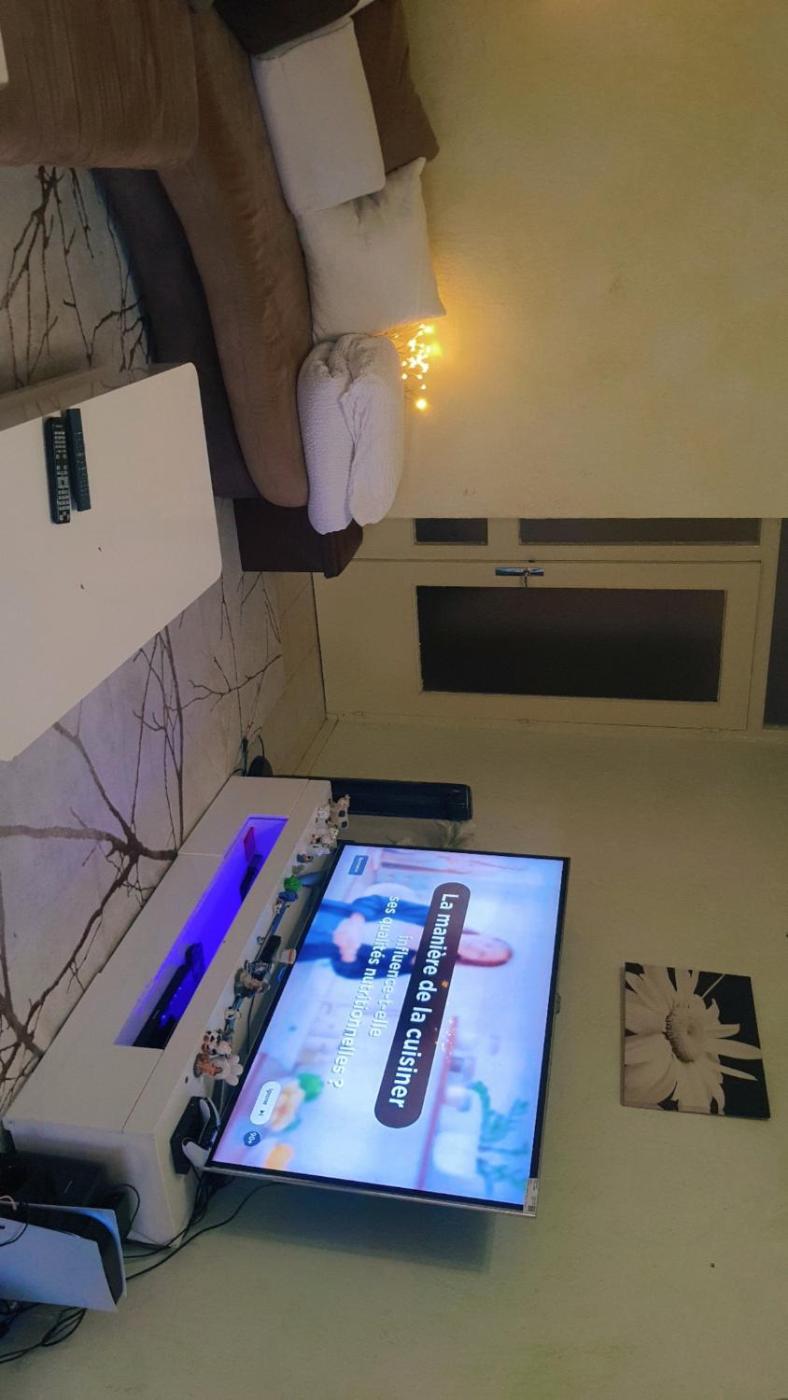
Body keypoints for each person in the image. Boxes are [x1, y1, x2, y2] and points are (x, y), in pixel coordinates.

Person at [298, 883, 513, 979]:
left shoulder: (418, 964)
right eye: (489, 944)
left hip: (311, 946)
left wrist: (348, 953)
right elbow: (379, 901)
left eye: (482, 954)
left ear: (472, 960)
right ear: (486, 935)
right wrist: (357, 921)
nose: (479, 947)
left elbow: (350, 972)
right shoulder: (437, 916)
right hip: (321, 910)